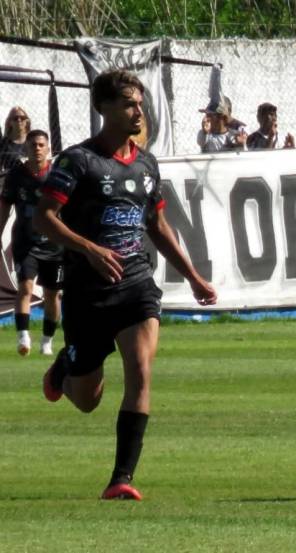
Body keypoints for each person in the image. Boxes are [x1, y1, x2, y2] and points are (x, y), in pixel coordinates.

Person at [35, 69, 217, 500]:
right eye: (128, 104)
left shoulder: (146, 163)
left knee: (140, 370)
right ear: (104, 108)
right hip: (87, 290)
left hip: (136, 282)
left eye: (139, 103)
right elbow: (44, 218)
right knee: (86, 400)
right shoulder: (77, 162)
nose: (138, 111)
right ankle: (66, 366)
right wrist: (89, 249)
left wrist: (192, 276)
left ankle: (121, 478)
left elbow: (156, 224)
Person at [0, 129, 63, 356]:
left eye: (40, 145)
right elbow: (4, 208)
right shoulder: (16, 175)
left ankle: (47, 341)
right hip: (26, 242)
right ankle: (23, 337)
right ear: (26, 148)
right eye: (32, 145)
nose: (37, 148)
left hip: (55, 245)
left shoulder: (58, 175)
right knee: (25, 287)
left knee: (52, 294)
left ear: (48, 148)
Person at [0, 107, 31, 172]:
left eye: (22, 118)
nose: (19, 120)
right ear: (10, 122)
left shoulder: (33, 139)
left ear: (26, 121)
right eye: (15, 118)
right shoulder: (3, 144)